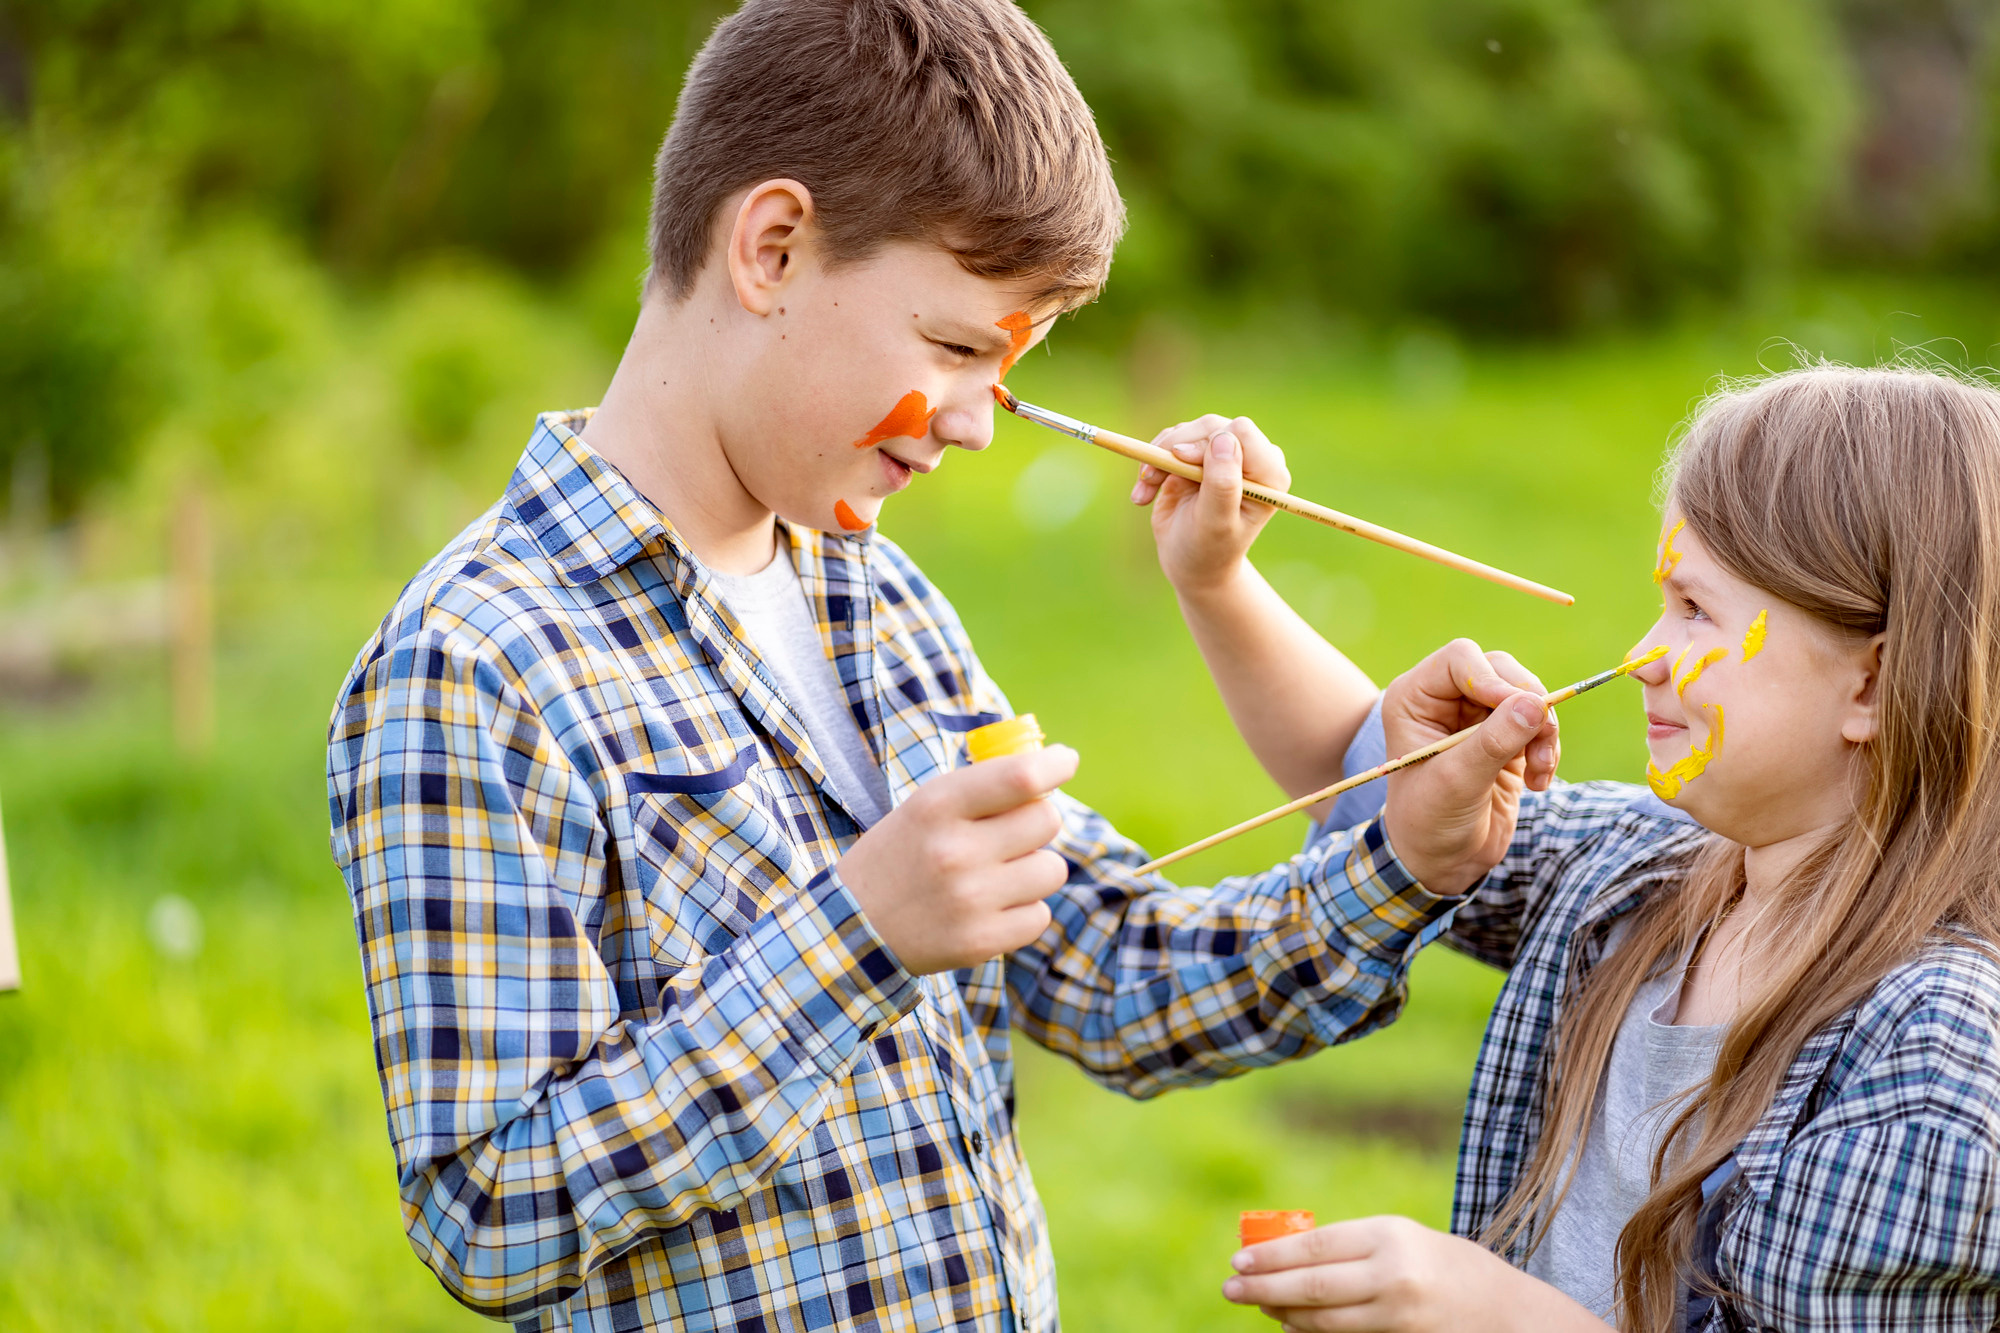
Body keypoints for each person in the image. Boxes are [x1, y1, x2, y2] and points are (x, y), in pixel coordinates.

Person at [323, 2, 1564, 1328]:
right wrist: (859, 935)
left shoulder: (878, 599)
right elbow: (489, 1215)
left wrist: (1406, 859)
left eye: (1009, 375)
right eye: (959, 349)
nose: (975, 424)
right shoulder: (474, 666)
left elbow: (1112, 971)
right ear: (774, 247)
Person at [1213, 365, 2000, 1332]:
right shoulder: (1639, 874)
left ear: (1873, 685)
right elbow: (1365, 781)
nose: (1643, 654)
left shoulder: (1938, 1048)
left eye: (1696, 610)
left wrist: (1494, 1312)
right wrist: (1217, 579)